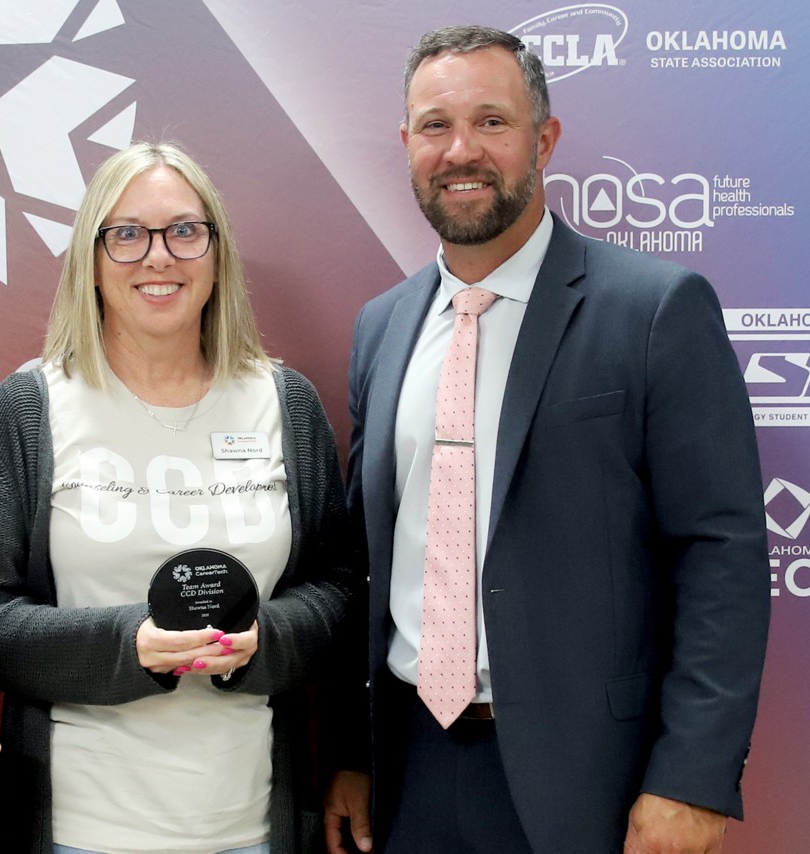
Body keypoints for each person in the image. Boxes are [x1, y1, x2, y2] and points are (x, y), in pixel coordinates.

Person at [323, 25, 769, 854]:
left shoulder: (654, 309)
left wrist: (691, 776)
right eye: (435, 125)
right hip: (410, 767)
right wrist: (354, 752)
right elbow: (366, 562)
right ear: (407, 143)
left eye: (492, 121)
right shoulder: (381, 328)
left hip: (591, 780)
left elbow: (721, 551)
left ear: (545, 138)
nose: (461, 150)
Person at [0, 141, 358, 853]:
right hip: (80, 831)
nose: (158, 256)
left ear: (217, 252)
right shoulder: (31, 407)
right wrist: (128, 646)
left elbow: (339, 587)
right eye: (128, 233)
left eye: (184, 231)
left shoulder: (283, 403)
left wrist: (267, 642)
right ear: (92, 259)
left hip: (249, 826)